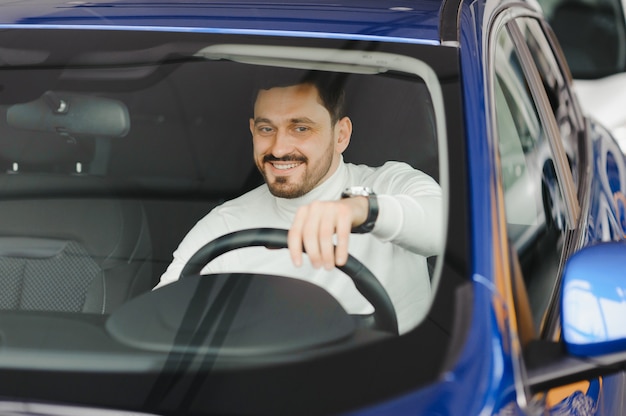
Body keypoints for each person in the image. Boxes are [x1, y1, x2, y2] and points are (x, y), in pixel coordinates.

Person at [155, 71, 443, 334]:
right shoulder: (223, 224)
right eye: (267, 129)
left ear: (341, 135)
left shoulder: (391, 185)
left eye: (301, 128)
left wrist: (360, 209)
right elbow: (159, 319)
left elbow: (443, 229)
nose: (279, 148)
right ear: (253, 130)